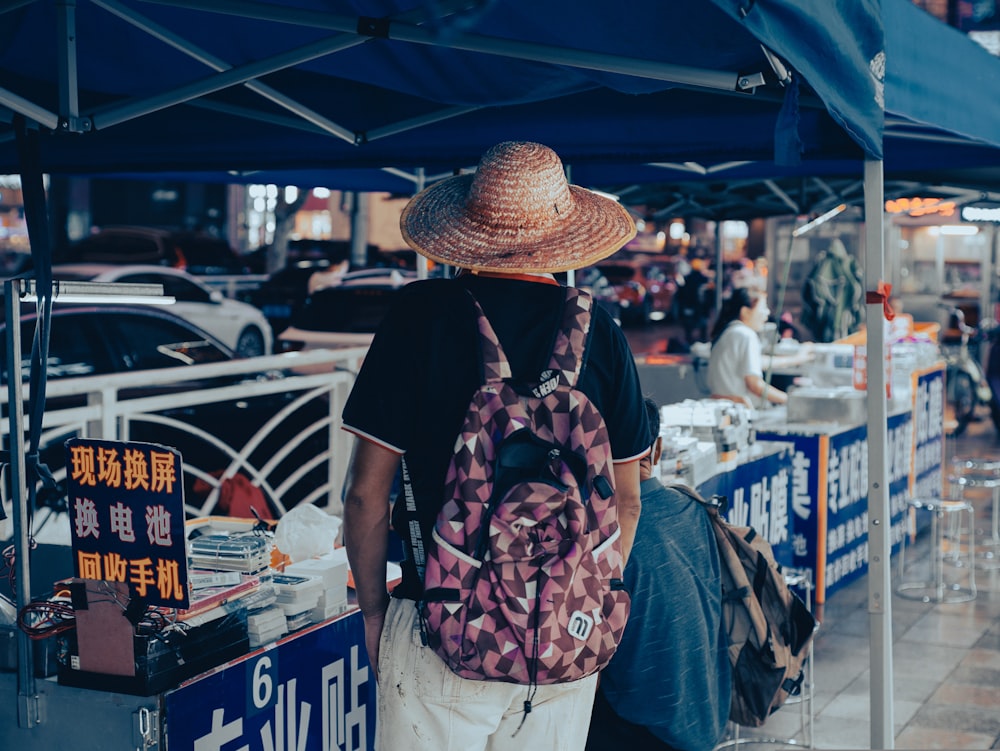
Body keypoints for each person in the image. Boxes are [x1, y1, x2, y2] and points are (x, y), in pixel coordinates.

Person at [341, 141, 650, 750]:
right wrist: (573, 591)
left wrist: (375, 612)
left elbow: (364, 499)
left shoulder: (419, 318)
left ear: (464, 233)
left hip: (442, 625)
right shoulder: (602, 332)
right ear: (562, 235)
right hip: (567, 633)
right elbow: (629, 503)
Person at [586, 397, 730, 751]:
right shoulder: (695, 510)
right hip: (707, 715)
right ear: (659, 449)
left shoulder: (606, 534)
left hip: (641, 728)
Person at [706, 286, 812, 408]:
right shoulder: (746, 335)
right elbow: (755, 385)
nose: (767, 313)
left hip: (724, 408)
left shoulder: (730, 332)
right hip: (739, 411)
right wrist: (791, 400)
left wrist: (797, 358)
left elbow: (758, 362)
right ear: (745, 312)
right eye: (763, 307)